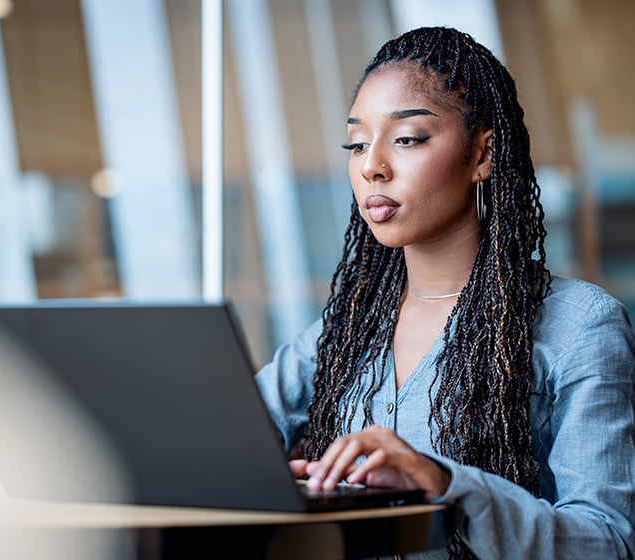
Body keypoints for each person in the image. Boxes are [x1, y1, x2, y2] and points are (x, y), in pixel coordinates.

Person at [254, 26, 635, 559]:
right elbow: (228, 437)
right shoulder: (348, 328)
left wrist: (444, 481)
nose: (371, 166)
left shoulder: (579, 325)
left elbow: (608, 542)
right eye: (357, 143)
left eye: (406, 138)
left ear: (483, 154)